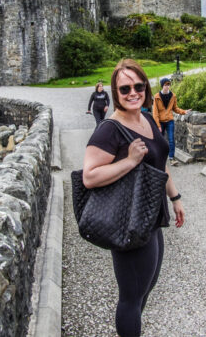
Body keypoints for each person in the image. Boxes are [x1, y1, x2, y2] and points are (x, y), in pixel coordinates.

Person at [82, 59, 185, 337]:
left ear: (145, 87)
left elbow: (159, 161)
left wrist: (175, 197)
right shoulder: (109, 129)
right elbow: (89, 176)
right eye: (124, 88)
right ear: (116, 92)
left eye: (138, 86)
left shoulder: (147, 118)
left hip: (151, 216)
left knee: (145, 288)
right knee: (131, 297)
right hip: (128, 220)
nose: (132, 93)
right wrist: (129, 161)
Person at [152, 78, 189, 166]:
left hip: (170, 121)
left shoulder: (173, 96)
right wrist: (158, 125)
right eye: (165, 85)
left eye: (168, 84)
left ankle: (171, 158)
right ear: (162, 86)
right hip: (160, 122)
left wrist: (184, 112)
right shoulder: (157, 97)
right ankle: (159, 158)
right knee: (160, 140)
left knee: (171, 140)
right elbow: (155, 112)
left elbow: (175, 108)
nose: (167, 86)